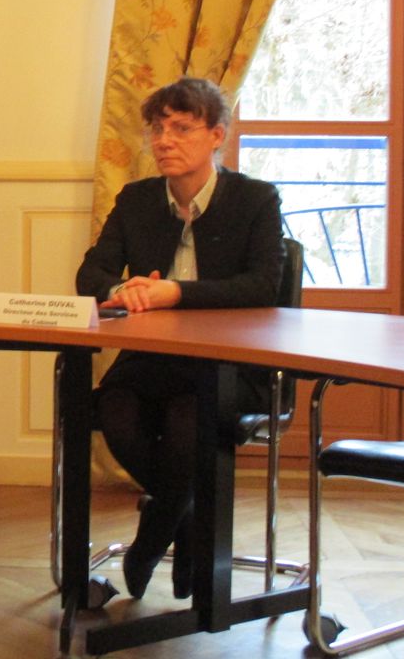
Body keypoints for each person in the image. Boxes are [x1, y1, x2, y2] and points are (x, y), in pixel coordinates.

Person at [76, 76, 284, 601]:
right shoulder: (137, 199)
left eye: (182, 128)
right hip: (152, 361)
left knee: (190, 421)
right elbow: (91, 274)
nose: (164, 140)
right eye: (157, 128)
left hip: (230, 365)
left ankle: (151, 538)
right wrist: (121, 289)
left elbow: (263, 285)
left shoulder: (256, 199)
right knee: (116, 412)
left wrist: (176, 293)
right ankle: (185, 518)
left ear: (216, 135)